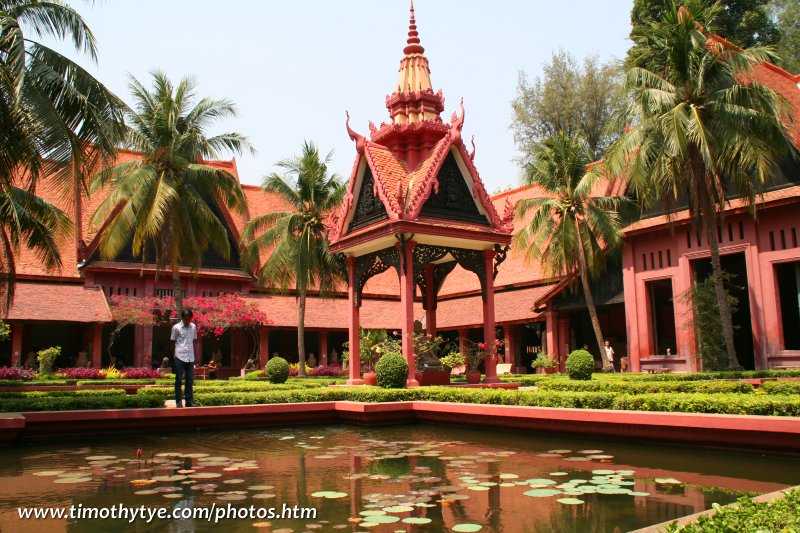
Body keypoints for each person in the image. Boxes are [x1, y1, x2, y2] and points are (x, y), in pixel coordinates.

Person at [171, 309, 198, 408]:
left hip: (190, 357)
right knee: (178, 380)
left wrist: (195, 355)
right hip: (179, 356)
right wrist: (173, 356)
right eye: (186, 319)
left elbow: (194, 341)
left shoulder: (193, 327)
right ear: (182, 318)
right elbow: (172, 342)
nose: (188, 321)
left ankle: (189, 401)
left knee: (189, 380)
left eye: (189, 319)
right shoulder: (176, 328)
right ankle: (178, 401)